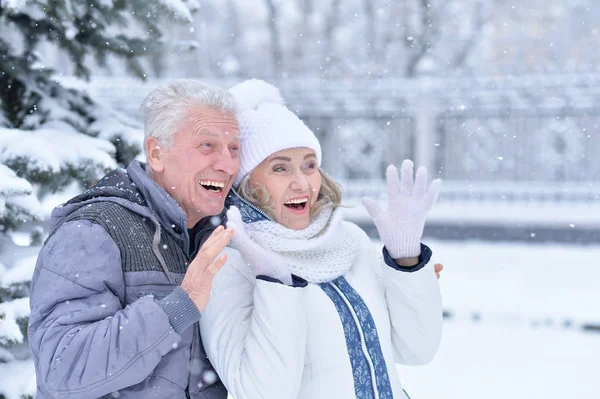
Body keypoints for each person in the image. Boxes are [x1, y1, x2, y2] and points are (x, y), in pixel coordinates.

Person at [199, 79, 444, 399]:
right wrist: (274, 283)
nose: (302, 182)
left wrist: (406, 260)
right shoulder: (227, 264)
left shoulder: (348, 241)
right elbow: (262, 392)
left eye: (309, 165)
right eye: (280, 168)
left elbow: (417, 349)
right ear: (248, 183)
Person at [27, 80, 239, 398]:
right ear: (156, 153)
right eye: (207, 146)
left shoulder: (223, 235)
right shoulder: (95, 232)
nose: (226, 164)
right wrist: (179, 306)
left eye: (234, 148)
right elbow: (62, 369)